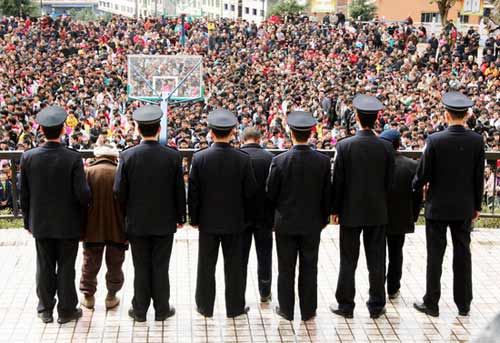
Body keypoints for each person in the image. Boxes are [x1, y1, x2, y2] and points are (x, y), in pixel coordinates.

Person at [413, 92, 485, 317]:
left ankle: (431, 303)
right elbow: (478, 176)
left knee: (435, 255)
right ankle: (464, 303)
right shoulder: (477, 141)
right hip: (464, 206)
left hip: (438, 206)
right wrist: (477, 205)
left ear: (446, 114)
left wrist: (415, 186)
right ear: (466, 115)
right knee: (463, 254)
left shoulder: (435, 140)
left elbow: (423, 173)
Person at [114, 105, 186, 322]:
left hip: (137, 222)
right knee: (161, 266)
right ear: (159, 128)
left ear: (137, 128)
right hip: (164, 222)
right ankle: (162, 308)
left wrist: (126, 214)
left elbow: (119, 191)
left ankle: (140, 310)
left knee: (141, 266)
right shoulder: (172, 156)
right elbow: (178, 191)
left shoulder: (127, 155)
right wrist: (180, 217)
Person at [19, 106, 90, 324]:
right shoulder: (72, 158)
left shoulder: (28, 157)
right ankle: (67, 310)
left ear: (41, 130)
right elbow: (82, 194)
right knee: (67, 267)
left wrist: (27, 222)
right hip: (68, 223)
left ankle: (45, 309)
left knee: (44, 265)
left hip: (40, 222)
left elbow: (24, 193)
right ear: (62, 131)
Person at [188, 109, 257, 318]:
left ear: (211, 132)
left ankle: (204, 306)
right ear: (233, 132)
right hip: (235, 223)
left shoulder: (199, 158)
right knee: (234, 266)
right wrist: (245, 219)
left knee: (206, 265)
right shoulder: (243, 159)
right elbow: (250, 193)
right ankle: (235, 307)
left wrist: (195, 219)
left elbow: (193, 193)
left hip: (208, 222)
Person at [331, 95, 395, 319]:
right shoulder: (386, 147)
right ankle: (376, 305)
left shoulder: (344, 145)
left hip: (350, 211)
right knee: (377, 259)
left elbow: (338, 181)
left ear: (356, 117)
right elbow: (389, 181)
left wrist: (335, 209)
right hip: (377, 210)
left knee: (348, 259)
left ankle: (346, 305)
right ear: (377, 118)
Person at [266, 111, 331, 321]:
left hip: (285, 223)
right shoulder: (322, 161)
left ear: (290, 133)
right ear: (311, 133)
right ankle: (308, 310)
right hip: (312, 223)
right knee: (309, 266)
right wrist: (324, 218)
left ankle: (286, 309)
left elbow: (271, 193)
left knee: (285, 268)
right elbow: (326, 194)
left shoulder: (279, 160)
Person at [79, 144, 127, 310]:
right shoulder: (120, 172)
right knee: (115, 262)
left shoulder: (88, 172)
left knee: (90, 262)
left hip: (92, 227)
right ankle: (111, 296)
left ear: (97, 157)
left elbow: (82, 200)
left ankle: (88, 296)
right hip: (117, 227)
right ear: (114, 158)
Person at [379, 130, 423, 299]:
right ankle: (393, 287)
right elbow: (417, 195)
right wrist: (413, 215)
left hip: (378, 216)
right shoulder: (411, 165)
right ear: (398, 144)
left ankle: (377, 287)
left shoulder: (376, 164)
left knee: (378, 254)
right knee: (396, 253)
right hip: (401, 217)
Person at [240, 127, 274, 303]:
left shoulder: (237, 156)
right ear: (260, 139)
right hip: (265, 216)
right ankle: (265, 291)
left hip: (241, 216)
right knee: (265, 255)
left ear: (242, 139)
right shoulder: (270, 158)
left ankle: (239, 294)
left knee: (240, 258)